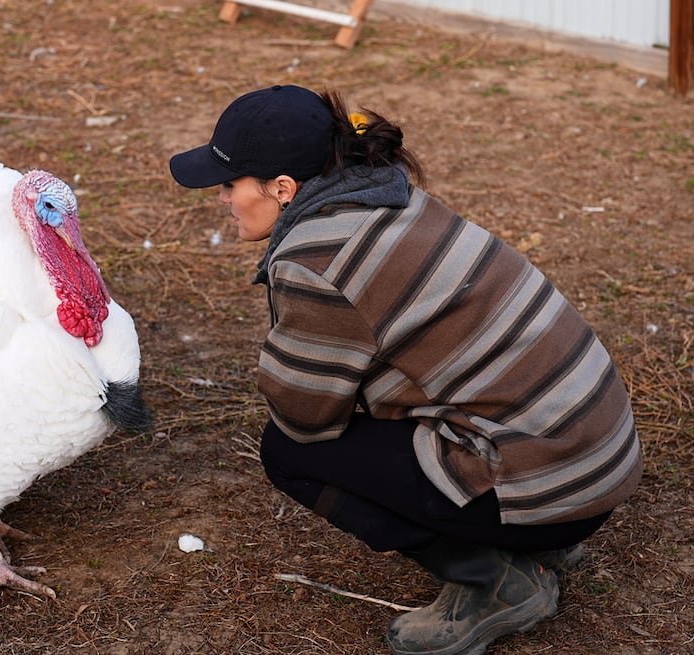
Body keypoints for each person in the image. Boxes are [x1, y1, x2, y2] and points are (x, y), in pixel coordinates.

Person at [168, 85, 641, 655]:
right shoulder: (387, 195)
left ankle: (495, 583)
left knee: (288, 453)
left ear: (284, 189)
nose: (222, 197)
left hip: (558, 488)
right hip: (594, 457)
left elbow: (303, 417)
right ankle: (538, 542)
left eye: (229, 183)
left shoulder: (318, 257)